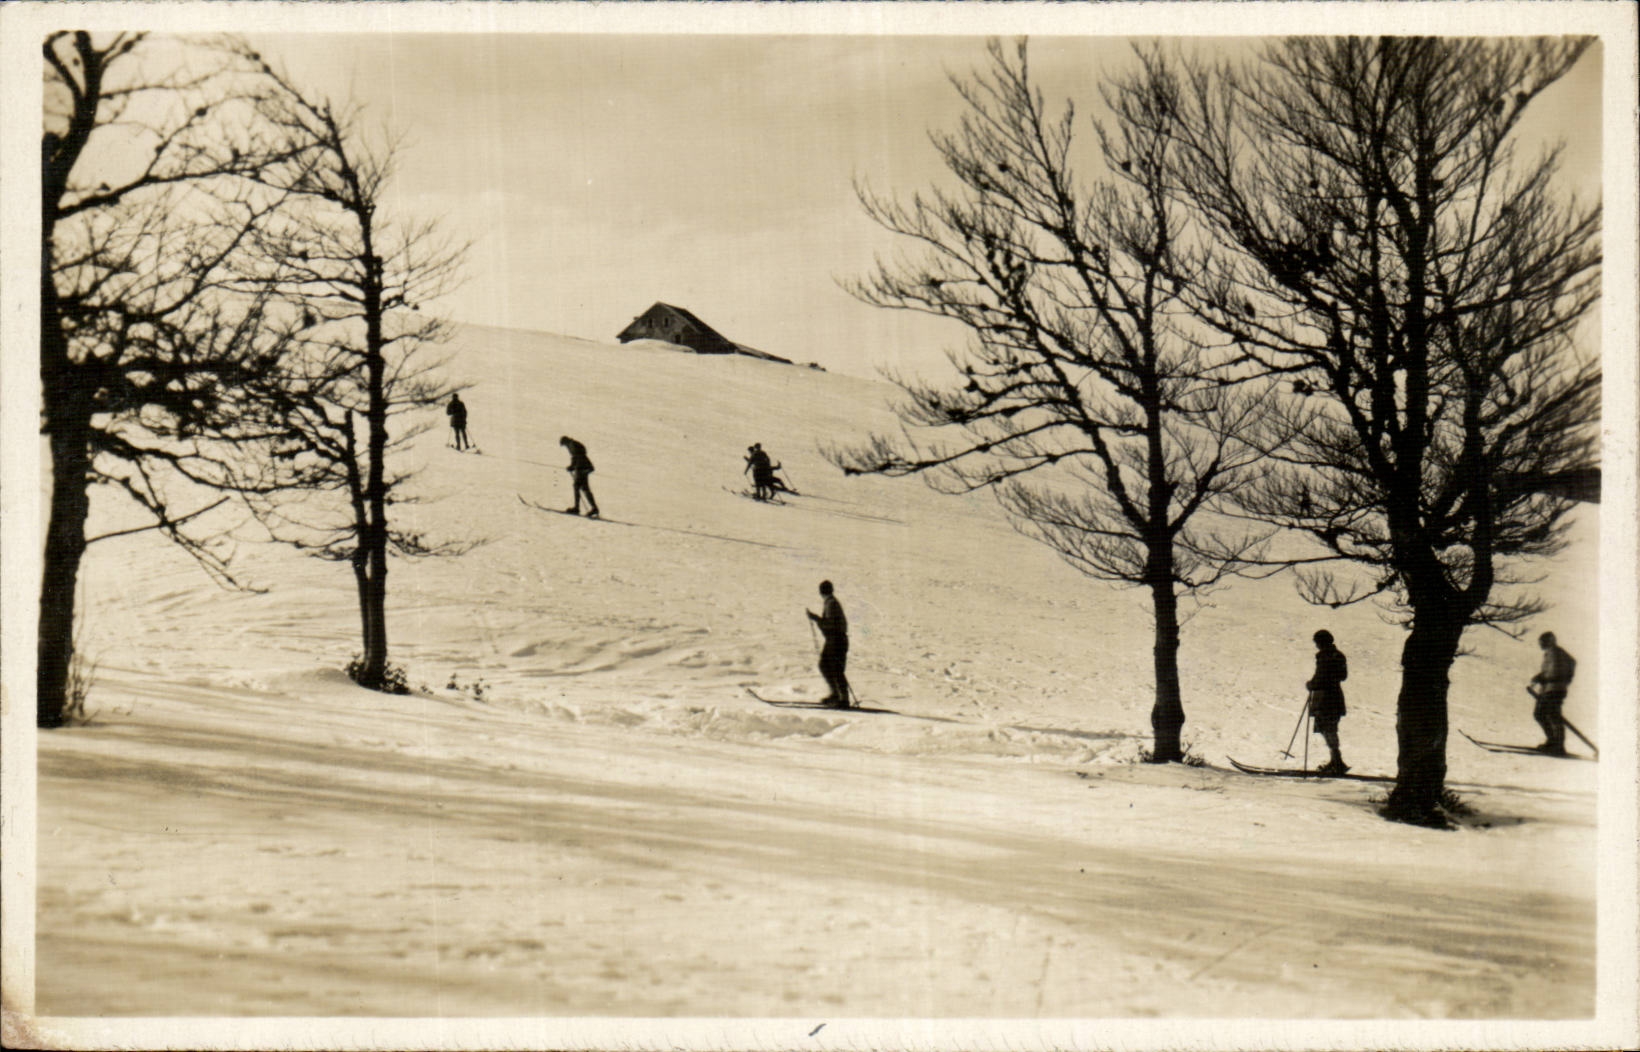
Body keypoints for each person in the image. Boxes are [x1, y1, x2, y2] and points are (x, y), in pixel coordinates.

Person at [1306, 629, 1349, 775]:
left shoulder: (1324, 656)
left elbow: (1320, 677)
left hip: (1325, 698)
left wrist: (1311, 684)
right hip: (1335, 696)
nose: (1316, 645)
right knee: (1329, 728)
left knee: (1327, 728)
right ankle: (1336, 761)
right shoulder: (1338, 655)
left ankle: (1337, 763)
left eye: (1317, 642)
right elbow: (1343, 676)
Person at [1529, 631, 1576, 755]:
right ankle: (1552, 742)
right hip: (1548, 689)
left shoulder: (1556, 653)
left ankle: (1558, 746)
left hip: (1554, 690)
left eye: (1542, 642)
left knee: (1552, 715)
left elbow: (1557, 671)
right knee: (1540, 714)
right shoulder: (1551, 653)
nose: (1540, 645)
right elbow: (1552, 671)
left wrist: (1546, 678)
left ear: (1549, 641)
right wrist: (1540, 677)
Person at [806, 580, 850, 708]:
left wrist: (816, 618)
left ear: (821, 592)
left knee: (834, 668)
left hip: (836, 640)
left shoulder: (831, 604)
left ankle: (842, 697)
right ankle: (837, 695)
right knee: (827, 666)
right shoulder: (831, 602)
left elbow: (829, 624)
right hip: (835, 639)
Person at [559, 435, 598, 518]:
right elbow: (576, 457)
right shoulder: (573, 444)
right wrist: (573, 466)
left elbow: (577, 457)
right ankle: (593, 508)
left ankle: (577, 508)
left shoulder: (572, 445)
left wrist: (572, 466)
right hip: (583, 467)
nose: (565, 446)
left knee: (578, 486)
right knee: (583, 488)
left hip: (582, 468)